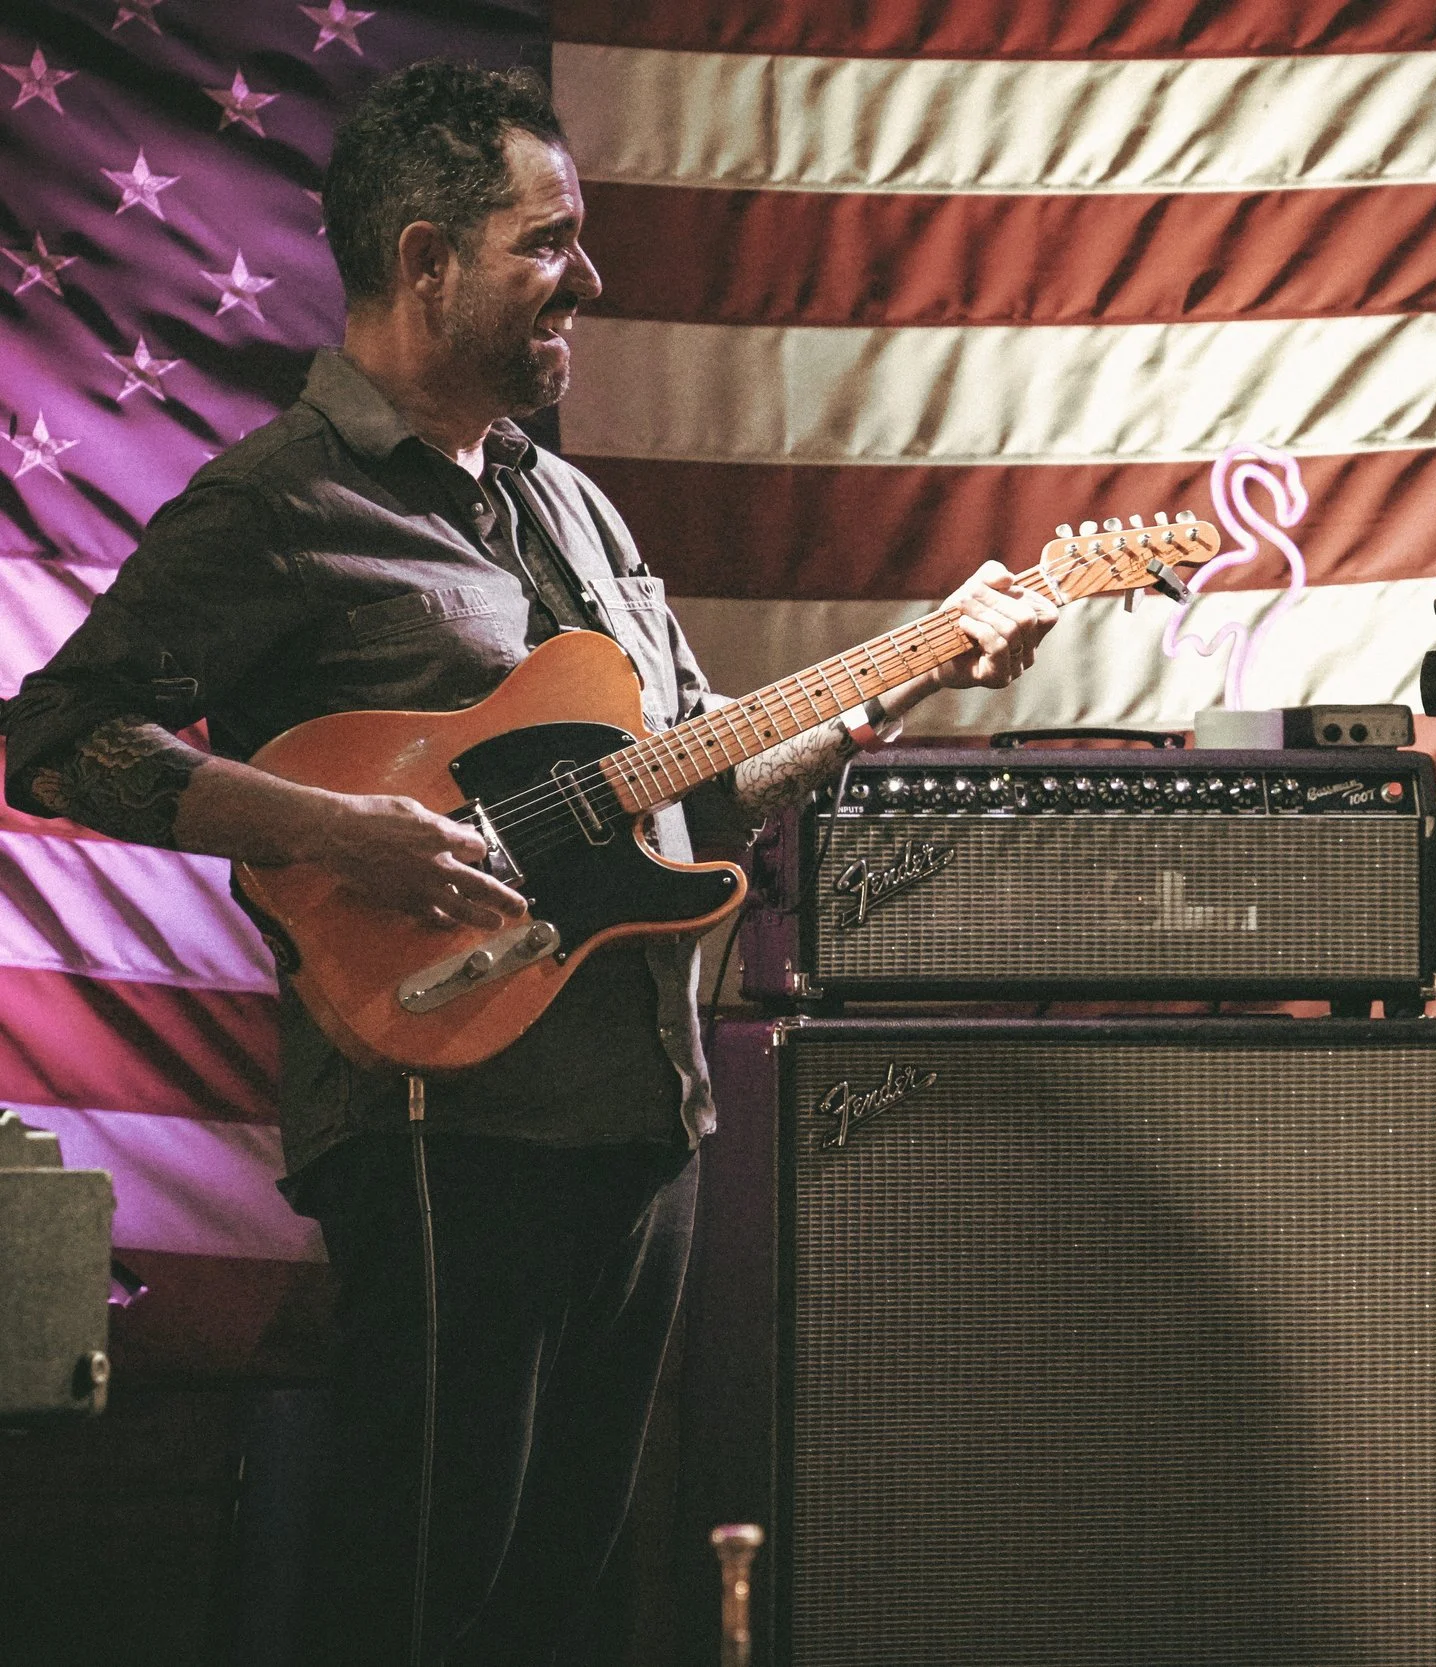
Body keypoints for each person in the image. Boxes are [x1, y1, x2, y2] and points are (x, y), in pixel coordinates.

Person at [1, 62, 1057, 1663]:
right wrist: (332, 828)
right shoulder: (280, 503)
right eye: (549, 240)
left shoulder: (568, 504)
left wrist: (913, 669)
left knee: (560, 1612)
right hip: (443, 1127)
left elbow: (704, 788)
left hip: (642, 1122)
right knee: (415, 1599)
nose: (593, 276)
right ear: (426, 262)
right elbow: (58, 739)